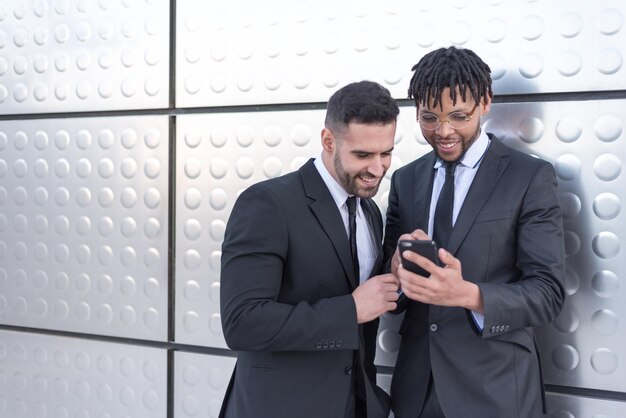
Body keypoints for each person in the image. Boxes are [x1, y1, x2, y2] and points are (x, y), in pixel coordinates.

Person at [383, 46, 566, 418]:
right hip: (416, 391)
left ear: (485, 102)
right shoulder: (406, 179)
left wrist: (468, 295)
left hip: (495, 389)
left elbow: (547, 292)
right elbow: (391, 281)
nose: (444, 131)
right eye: (429, 118)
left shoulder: (528, 178)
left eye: (458, 116)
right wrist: (396, 272)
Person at [219, 80, 401, 418]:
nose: (377, 169)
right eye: (362, 155)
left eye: (386, 153)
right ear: (328, 141)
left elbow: (363, 297)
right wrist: (349, 311)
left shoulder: (369, 210)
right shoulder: (267, 204)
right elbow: (242, 323)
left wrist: (395, 277)